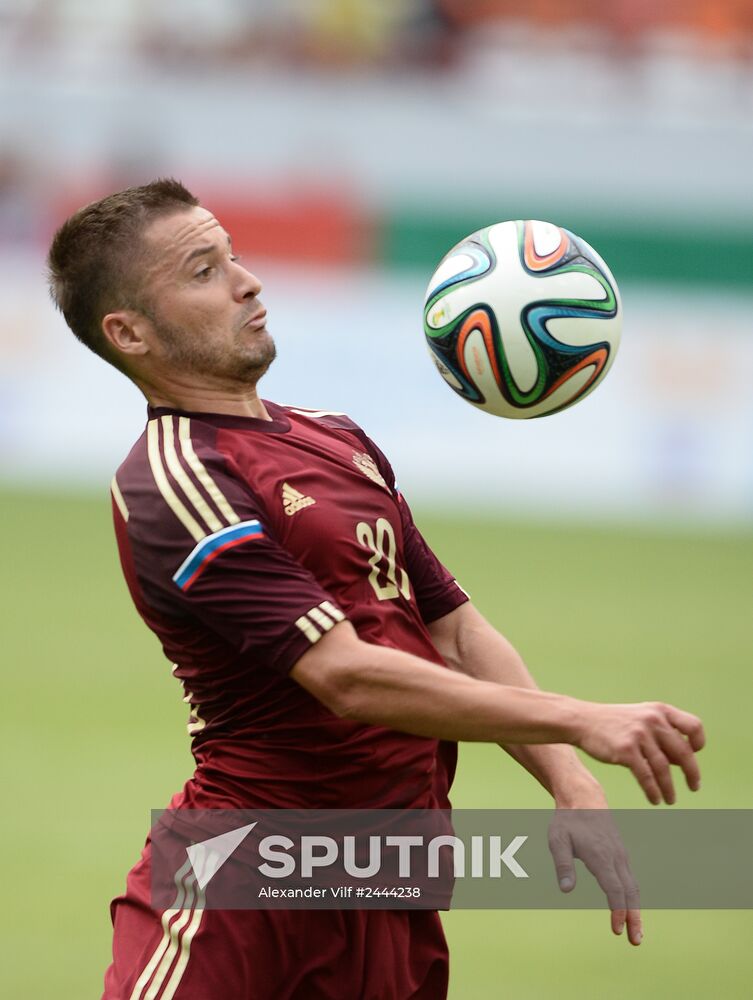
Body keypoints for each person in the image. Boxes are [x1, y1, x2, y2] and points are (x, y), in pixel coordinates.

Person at [47, 179, 704, 1000]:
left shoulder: (336, 437)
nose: (247, 281)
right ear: (128, 332)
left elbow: (454, 632)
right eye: (203, 271)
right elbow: (345, 676)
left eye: (235, 256)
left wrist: (568, 779)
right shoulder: (176, 478)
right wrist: (583, 717)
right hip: (247, 890)